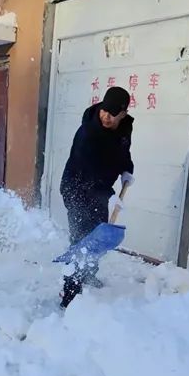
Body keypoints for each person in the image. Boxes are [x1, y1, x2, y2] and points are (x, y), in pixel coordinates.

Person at [58, 86, 135, 308]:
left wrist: (127, 169)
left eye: (112, 113)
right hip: (76, 188)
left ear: (123, 114)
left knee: (98, 235)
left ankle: (88, 274)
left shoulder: (124, 127)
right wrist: (109, 196)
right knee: (82, 240)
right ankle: (70, 295)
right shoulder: (87, 134)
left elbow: (123, 152)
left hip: (100, 190)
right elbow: (88, 175)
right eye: (104, 110)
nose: (106, 116)